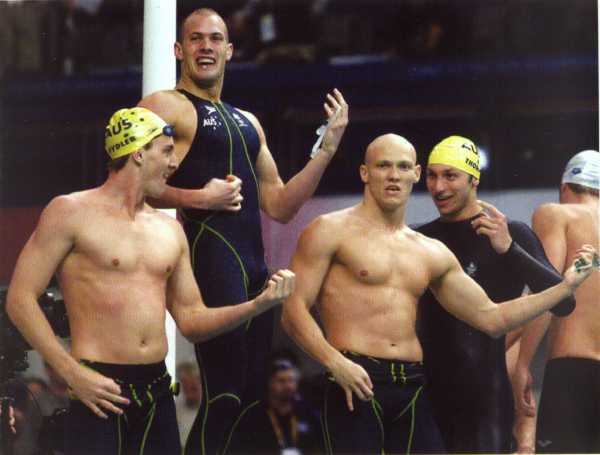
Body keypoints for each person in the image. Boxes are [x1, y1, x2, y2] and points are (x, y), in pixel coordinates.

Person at [281, 133, 597, 455]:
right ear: (365, 172)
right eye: (383, 166)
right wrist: (334, 361)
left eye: (403, 167)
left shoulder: (433, 250)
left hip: (436, 391)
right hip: (375, 383)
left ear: (414, 174)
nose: (394, 175)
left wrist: (561, 284)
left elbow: (492, 317)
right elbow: (292, 309)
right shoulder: (334, 230)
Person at [5, 107, 295, 455]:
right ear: (138, 153)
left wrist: (258, 304)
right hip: (98, 389)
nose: (175, 164)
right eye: (167, 151)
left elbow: (192, 321)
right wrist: (71, 373)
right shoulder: (70, 212)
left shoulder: (169, 229)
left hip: (157, 393)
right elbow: (20, 298)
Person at [137, 7, 348, 455]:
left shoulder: (248, 122)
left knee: (250, 401)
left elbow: (281, 206)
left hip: (255, 270)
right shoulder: (164, 105)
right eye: (195, 39)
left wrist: (325, 151)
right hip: (212, 264)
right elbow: (133, 184)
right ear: (179, 49)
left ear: (230, 50)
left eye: (215, 39)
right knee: (225, 396)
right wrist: (199, 199)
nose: (206, 47)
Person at [414, 135, 575, 453]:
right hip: (425, 396)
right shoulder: (420, 239)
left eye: (450, 175)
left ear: (474, 178)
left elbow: (564, 302)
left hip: (485, 398)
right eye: (432, 175)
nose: (438, 187)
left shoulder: (509, 233)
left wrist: (510, 250)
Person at [513, 149, 600, 453]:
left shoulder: (556, 214)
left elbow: (546, 292)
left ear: (565, 187)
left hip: (574, 373)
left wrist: (523, 364)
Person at [229, 358, 321, 455]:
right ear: (269, 382)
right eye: (281, 381)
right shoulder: (254, 415)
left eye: (291, 380)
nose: (288, 386)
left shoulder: (307, 413)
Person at [175, 362, 202, 446]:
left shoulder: (215, 411)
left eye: (193, 388)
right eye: (186, 389)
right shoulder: (175, 412)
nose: (189, 395)